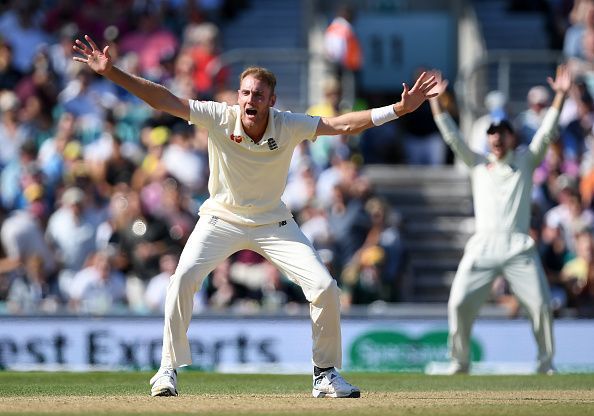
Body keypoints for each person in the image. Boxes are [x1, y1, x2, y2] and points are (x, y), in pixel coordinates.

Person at [72, 34, 436, 398]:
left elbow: (342, 125)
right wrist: (113, 73)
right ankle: (167, 369)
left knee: (325, 288)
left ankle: (324, 374)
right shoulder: (219, 116)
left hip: (273, 223)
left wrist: (399, 110)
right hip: (220, 218)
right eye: (245, 93)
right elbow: (164, 100)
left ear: (271, 101)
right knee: (182, 278)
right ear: (237, 96)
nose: (250, 100)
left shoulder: (288, 124)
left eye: (258, 95)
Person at [428, 64, 571, 375]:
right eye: (492, 133)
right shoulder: (477, 163)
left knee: (542, 306)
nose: (496, 138)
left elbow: (546, 132)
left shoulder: (526, 160)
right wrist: (435, 101)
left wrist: (559, 97)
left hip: (519, 246)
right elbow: (452, 137)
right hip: (483, 246)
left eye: (501, 133)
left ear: (511, 136)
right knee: (459, 305)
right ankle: (460, 361)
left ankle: (546, 363)